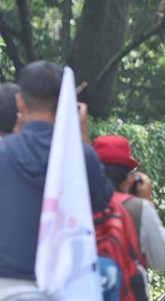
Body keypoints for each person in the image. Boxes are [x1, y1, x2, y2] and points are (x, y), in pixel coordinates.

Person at [0, 61, 113, 280]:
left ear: (20, 102)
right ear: (66, 103)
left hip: (7, 282)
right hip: (65, 285)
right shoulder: (81, 156)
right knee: (112, 274)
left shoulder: (4, 152)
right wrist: (81, 135)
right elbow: (101, 202)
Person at [93, 135, 165, 301]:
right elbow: (163, 260)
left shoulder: (77, 204)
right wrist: (147, 201)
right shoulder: (137, 208)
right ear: (129, 177)